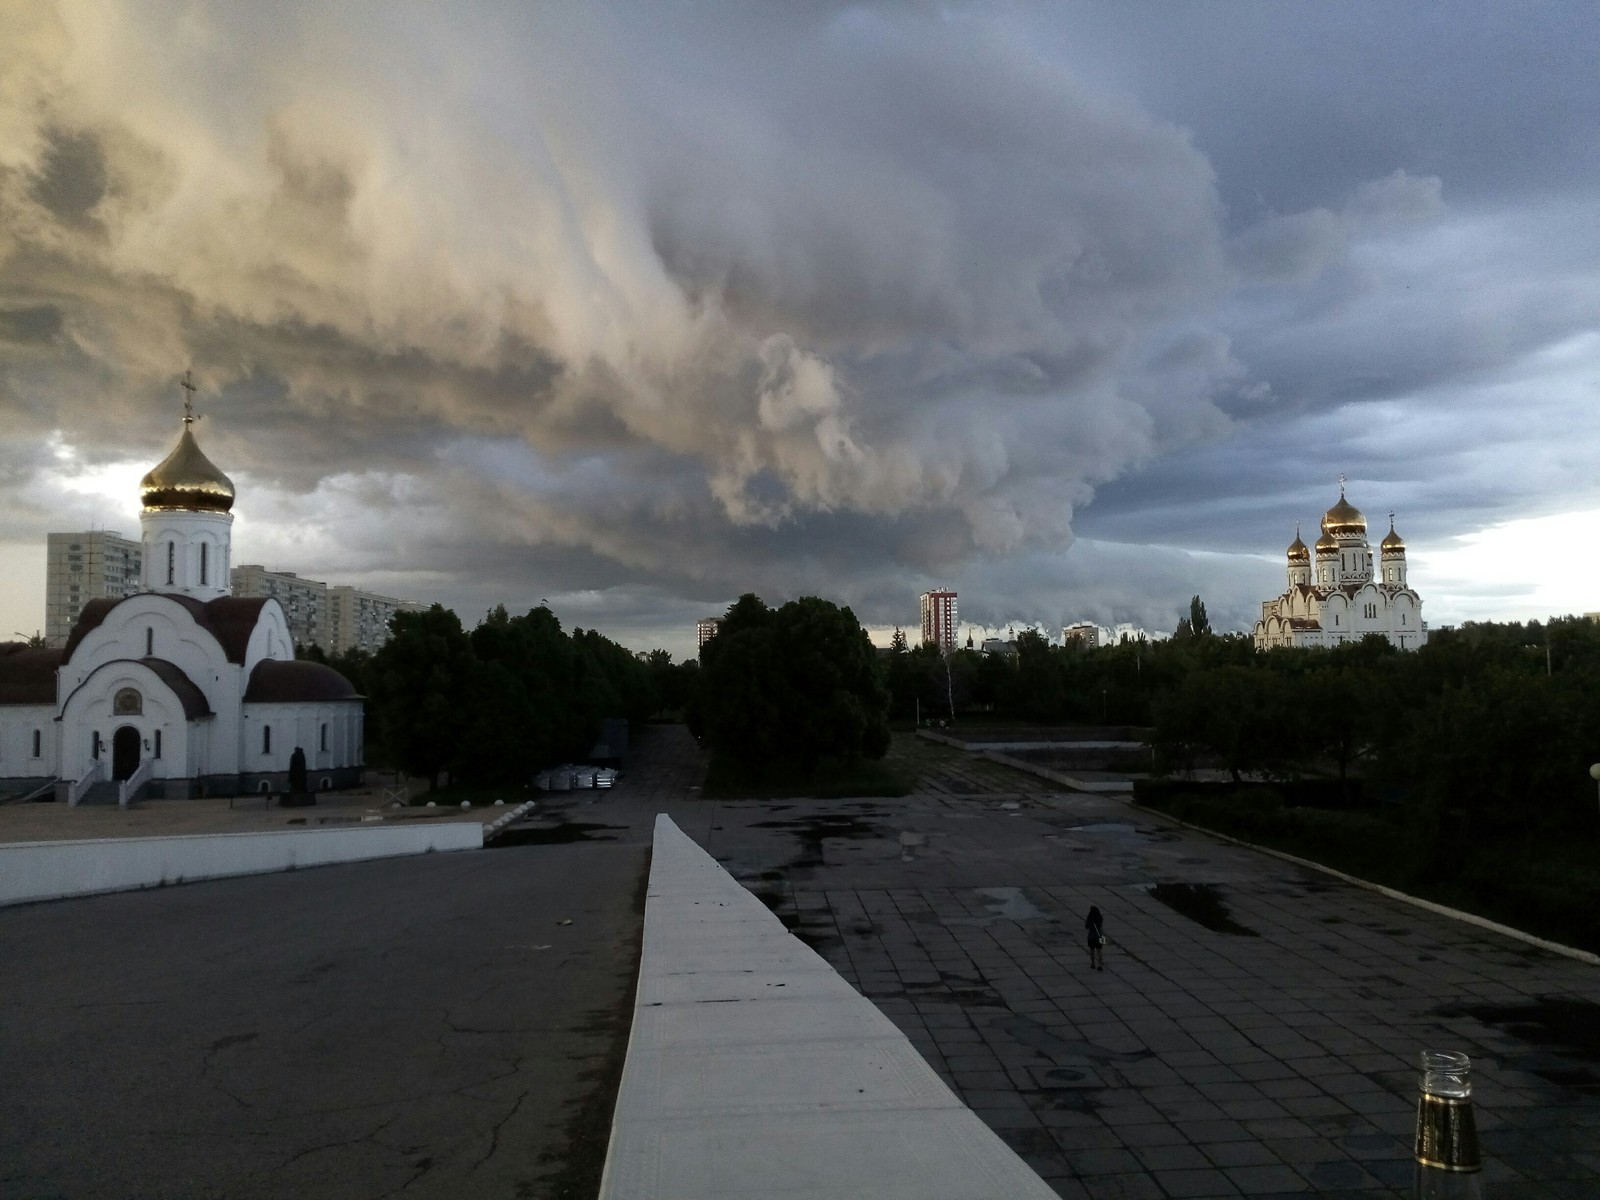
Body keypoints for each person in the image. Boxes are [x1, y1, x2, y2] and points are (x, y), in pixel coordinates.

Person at [1086, 905, 1105, 971]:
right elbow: (1100, 926)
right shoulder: (1100, 917)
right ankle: (1100, 965)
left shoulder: (1090, 917)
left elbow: (1086, 926)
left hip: (1091, 936)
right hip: (1099, 935)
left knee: (1092, 951)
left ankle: (1093, 964)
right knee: (1099, 951)